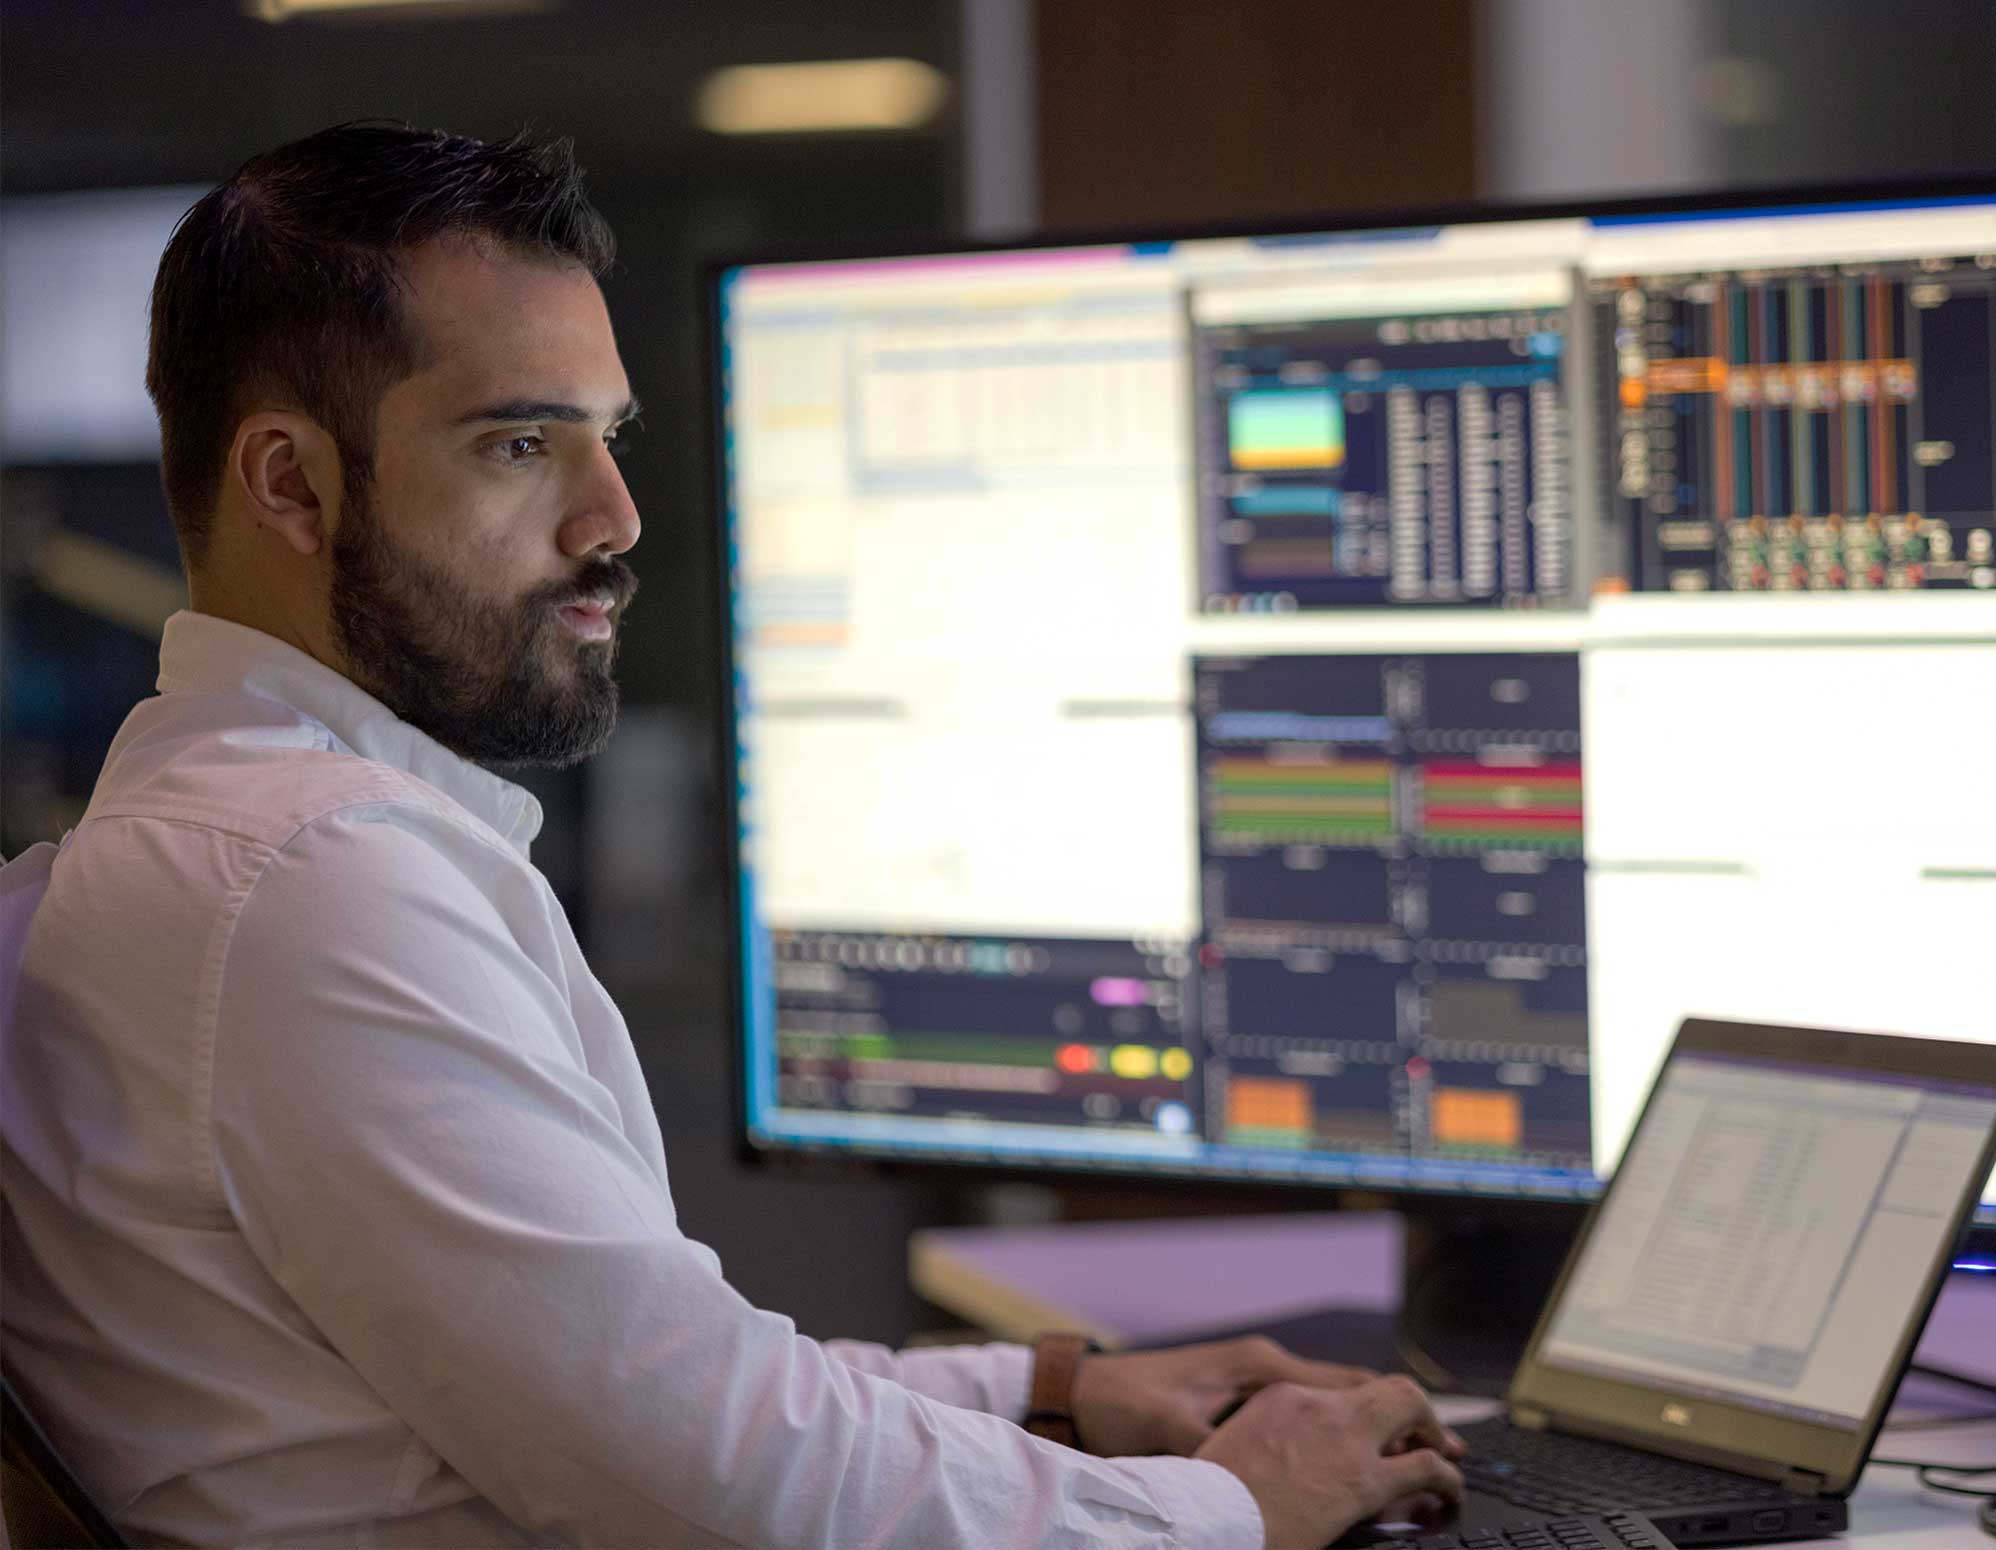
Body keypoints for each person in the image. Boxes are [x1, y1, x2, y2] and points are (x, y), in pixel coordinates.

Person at [0, 124, 1465, 1549]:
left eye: (608, 439)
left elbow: (654, 1391)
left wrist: (1051, 1385)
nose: (615, 517)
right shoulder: (309, 883)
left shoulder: (169, 864)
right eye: (522, 441)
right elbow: (721, 1483)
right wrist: (1235, 1508)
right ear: (291, 482)